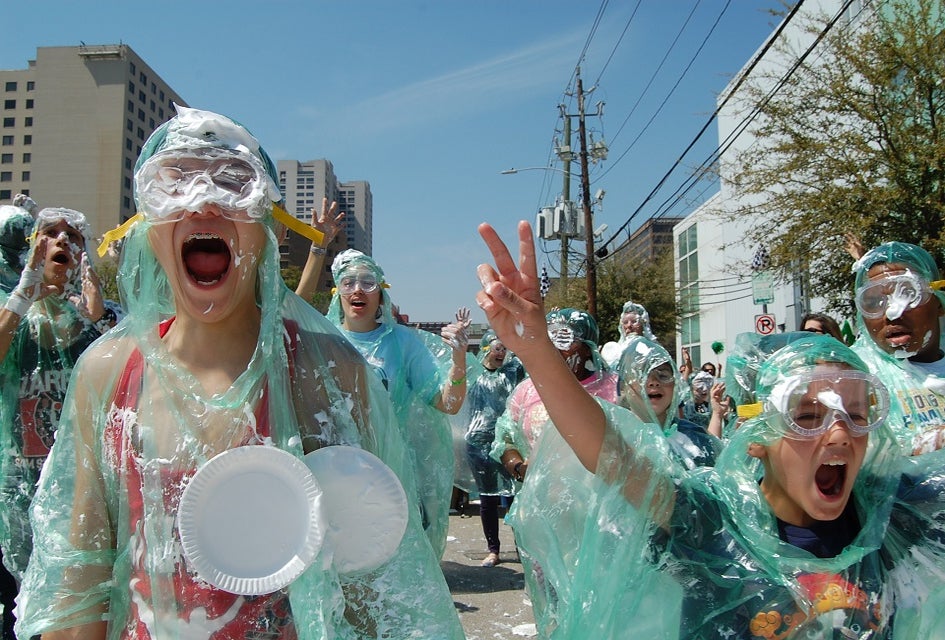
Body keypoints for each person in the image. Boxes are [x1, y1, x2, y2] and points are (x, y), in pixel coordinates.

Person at [14, 106, 464, 639]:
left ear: (265, 227)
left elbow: (370, 577)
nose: (203, 202)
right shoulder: (108, 373)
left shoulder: (326, 373)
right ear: (149, 228)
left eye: (233, 183)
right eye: (175, 183)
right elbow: (80, 575)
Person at [475, 220, 945, 638]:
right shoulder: (714, 523)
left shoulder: (892, 518)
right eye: (806, 417)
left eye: (856, 415)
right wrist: (537, 350)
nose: (839, 435)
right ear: (757, 436)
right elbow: (614, 458)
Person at [0, 206, 109, 638]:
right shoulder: (11, 314)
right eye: (49, 233)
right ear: (31, 249)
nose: (61, 240)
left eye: (73, 236)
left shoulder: (101, 322)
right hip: (15, 501)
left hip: (76, 502)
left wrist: (99, 320)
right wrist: (24, 291)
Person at [325, 248, 469, 559]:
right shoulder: (322, 338)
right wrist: (316, 249)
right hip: (334, 470)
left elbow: (448, 403)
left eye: (368, 282)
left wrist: (459, 361)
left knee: (389, 559)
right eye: (349, 282)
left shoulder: (403, 343)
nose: (358, 290)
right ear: (338, 292)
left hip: (390, 473)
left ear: (381, 293)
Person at [851, 241, 945, 455]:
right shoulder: (855, 376)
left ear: (938, 302)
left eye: (909, 294)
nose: (892, 313)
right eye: (873, 302)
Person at [463, 329, 525, 567]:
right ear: (486, 349)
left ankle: (522, 548)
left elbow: (529, 355)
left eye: (504, 349)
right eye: (497, 348)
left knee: (515, 497)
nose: (502, 353)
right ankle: (493, 550)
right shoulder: (474, 372)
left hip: (507, 444)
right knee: (488, 498)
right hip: (478, 444)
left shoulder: (512, 372)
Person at [616, 335, 721, 469]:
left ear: (675, 384)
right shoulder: (616, 440)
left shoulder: (695, 437)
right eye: (642, 375)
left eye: (663, 375)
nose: (654, 382)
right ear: (623, 387)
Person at [599, 300, 655, 367]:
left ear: (643, 325)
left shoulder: (653, 350)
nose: (629, 325)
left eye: (634, 321)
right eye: (625, 322)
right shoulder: (615, 351)